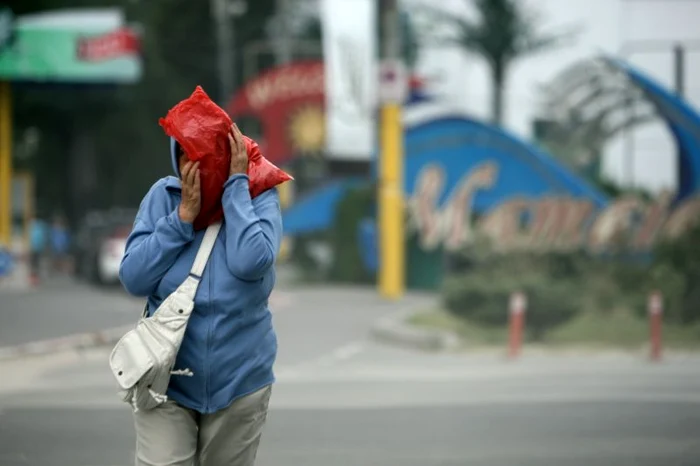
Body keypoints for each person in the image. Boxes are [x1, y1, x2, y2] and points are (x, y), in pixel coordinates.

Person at [119, 124, 282, 466]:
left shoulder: (258, 194)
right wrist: (181, 220)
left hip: (240, 381)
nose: (197, 165)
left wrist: (236, 189)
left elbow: (252, 261)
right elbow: (134, 278)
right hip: (165, 381)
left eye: (209, 154)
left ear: (228, 155)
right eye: (186, 154)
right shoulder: (163, 198)